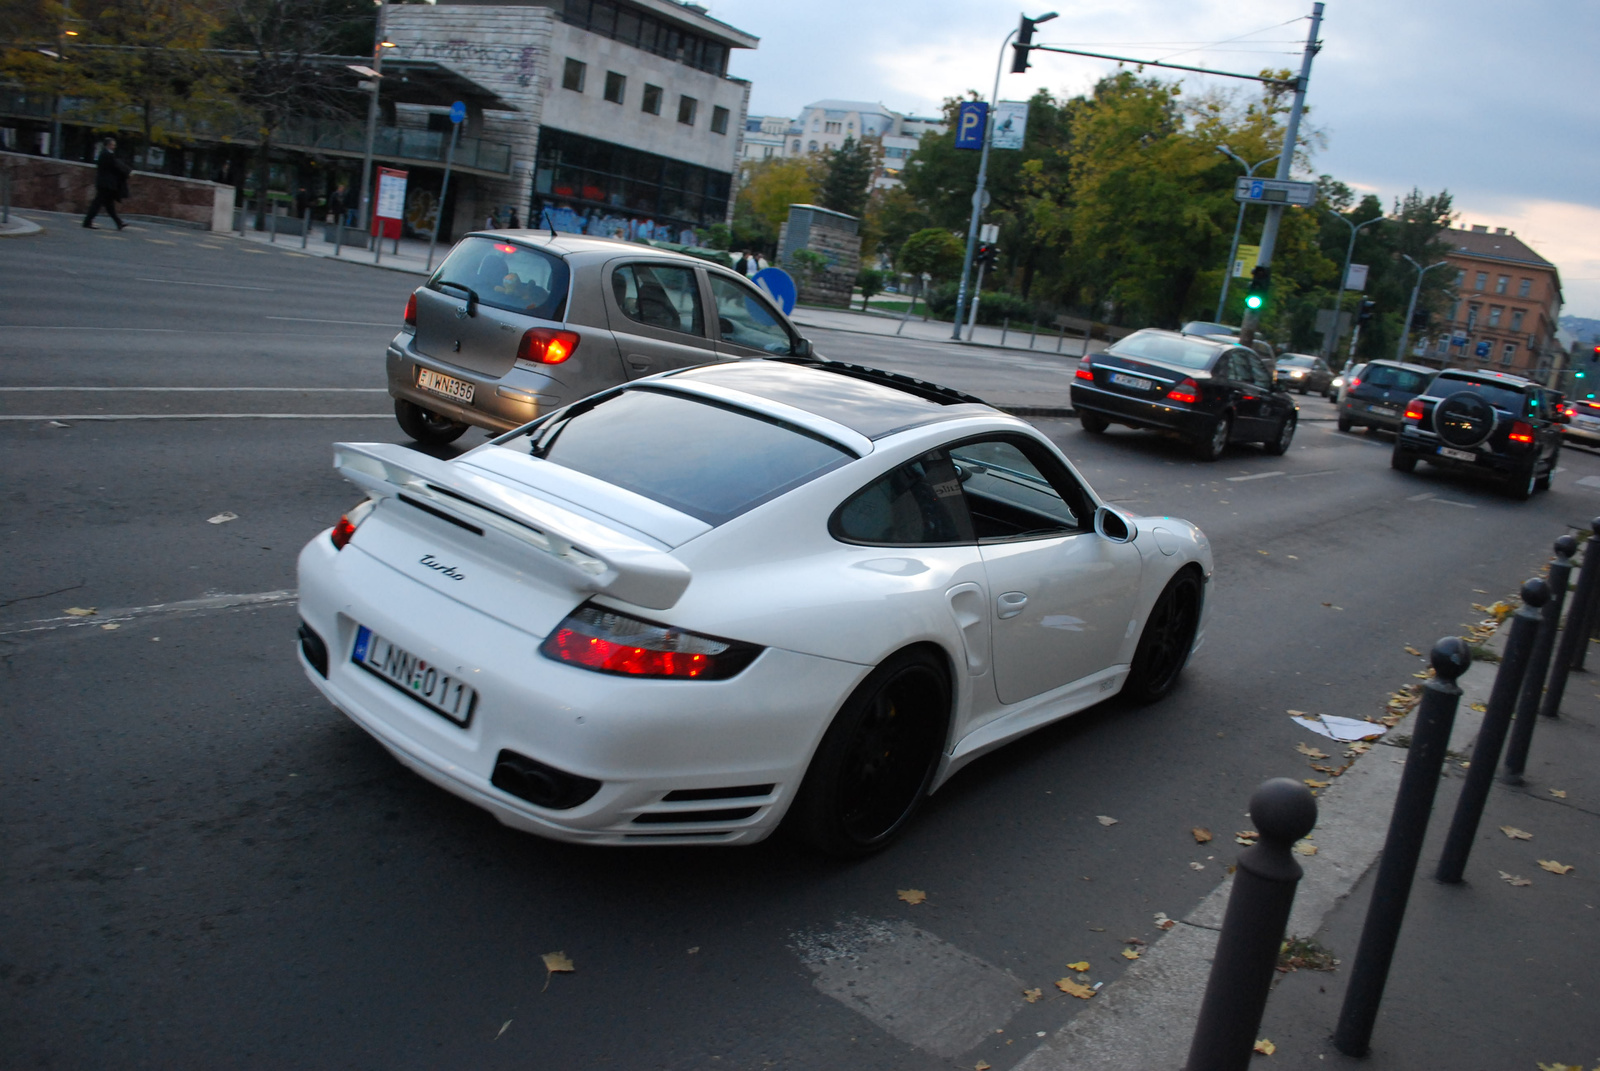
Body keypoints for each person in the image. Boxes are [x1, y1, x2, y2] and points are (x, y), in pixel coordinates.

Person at [82, 136, 131, 230]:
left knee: (109, 206)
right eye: (113, 145)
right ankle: (87, 222)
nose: (114, 146)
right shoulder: (107, 155)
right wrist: (127, 172)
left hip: (105, 184)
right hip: (106, 184)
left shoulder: (105, 154)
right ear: (108, 145)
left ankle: (119, 223)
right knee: (97, 204)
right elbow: (115, 167)